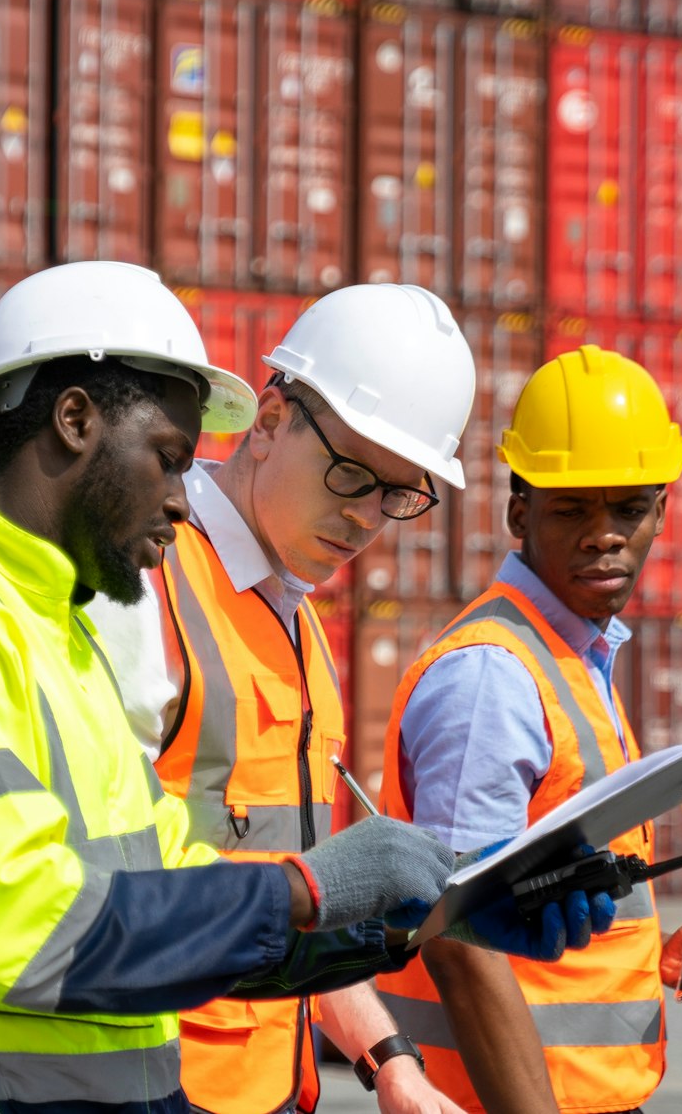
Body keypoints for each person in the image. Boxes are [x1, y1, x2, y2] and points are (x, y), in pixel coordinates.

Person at [0, 261, 606, 1114]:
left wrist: (426, 918)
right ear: (74, 420)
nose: (186, 503)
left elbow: (169, 895)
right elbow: (27, 932)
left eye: (398, 495)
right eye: (170, 459)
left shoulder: (58, 635)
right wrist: (309, 886)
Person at [91, 284, 578, 1114]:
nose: (364, 518)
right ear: (271, 417)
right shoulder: (147, 587)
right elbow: (104, 900)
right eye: (350, 473)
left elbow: (306, 898)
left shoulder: (300, 628)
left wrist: (389, 1058)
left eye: (397, 494)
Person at [376, 346, 682, 1114]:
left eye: (628, 509)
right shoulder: (494, 675)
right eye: (571, 507)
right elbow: (459, 941)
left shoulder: (572, 654)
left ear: (661, 512)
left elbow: (537, 908)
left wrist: (654, 959)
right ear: (519, 512)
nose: (604, 535)